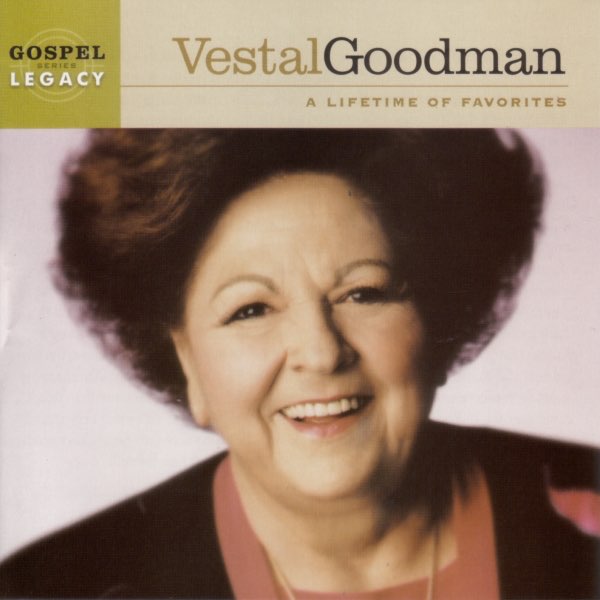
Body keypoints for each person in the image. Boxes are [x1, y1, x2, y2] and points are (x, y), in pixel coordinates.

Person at [0, 129, 598, 599]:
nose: (321, 351)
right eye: (251, 309)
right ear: (186, 361)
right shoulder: (53, 587)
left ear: (436, 323)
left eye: (363, 293)